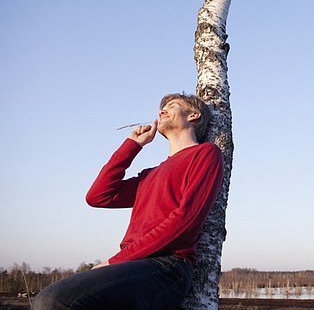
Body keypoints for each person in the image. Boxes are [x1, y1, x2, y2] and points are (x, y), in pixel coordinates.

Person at [32, 93, 225, 310]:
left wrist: (115, 261)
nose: (161, 111)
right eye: (161, 108)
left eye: (172, 106)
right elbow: (98, 196)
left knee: (50, 301)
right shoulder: (148, 175)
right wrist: (132, 145)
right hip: (134, 265)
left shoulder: (206, 153)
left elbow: (186, 219)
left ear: (194, 115)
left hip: (168, 266)